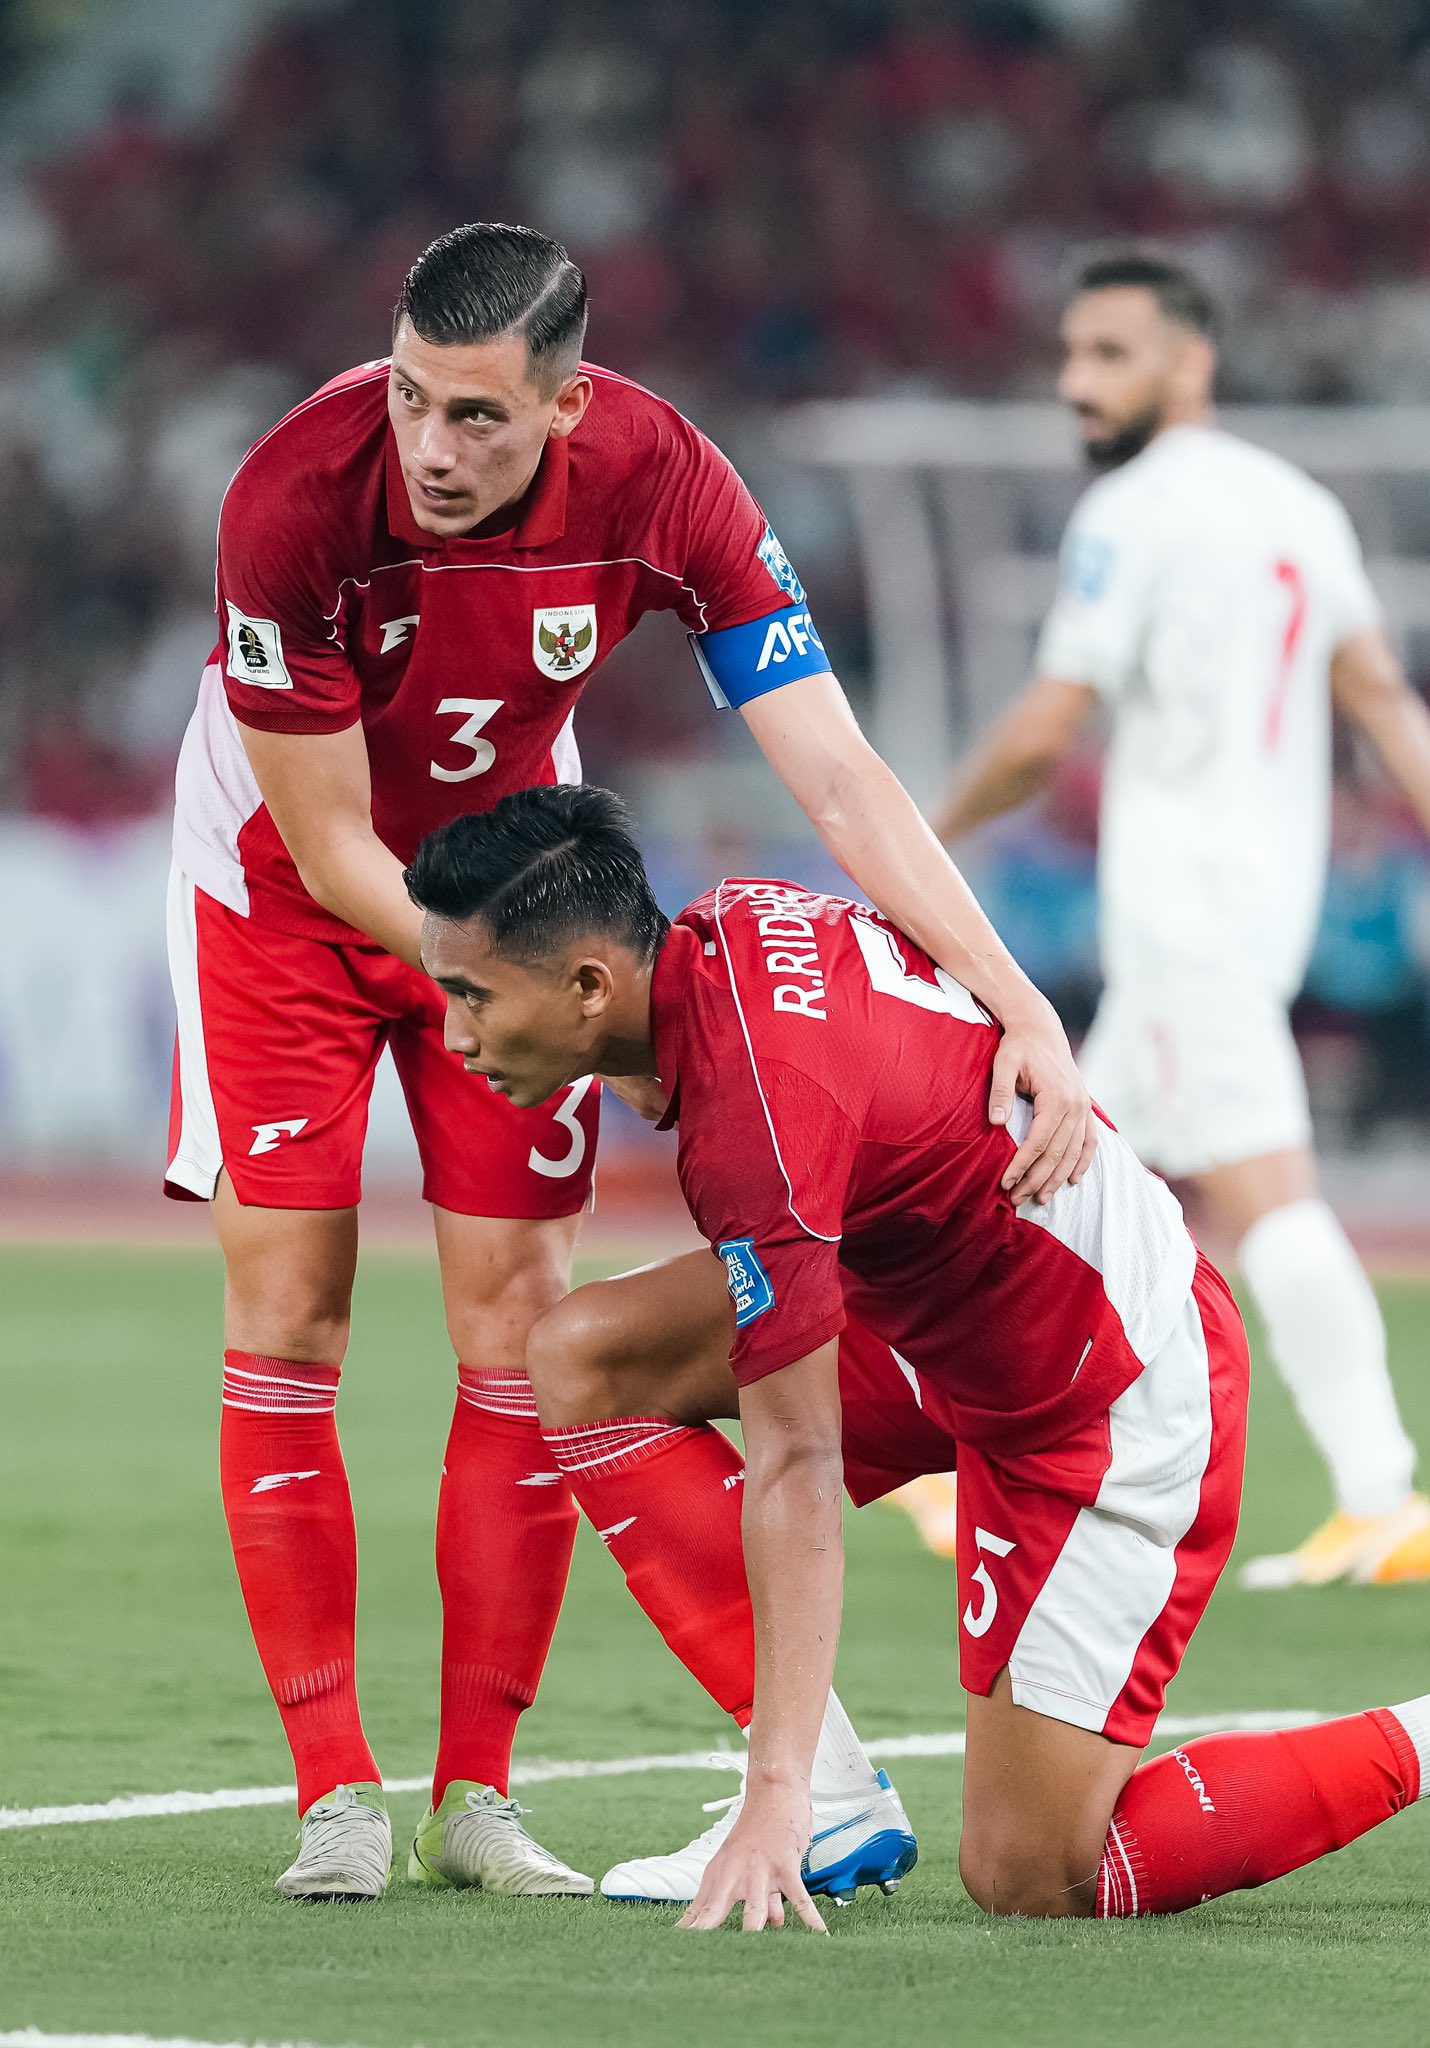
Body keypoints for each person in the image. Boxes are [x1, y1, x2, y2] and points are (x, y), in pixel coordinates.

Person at [166, 223, 1093, 1900]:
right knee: (290, 1304)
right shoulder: (291, 496)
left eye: (477, 415)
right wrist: (505, 988)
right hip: (284, 899)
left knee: (518, 1321)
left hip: (514, 904)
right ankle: (331, 1795)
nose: (430, 447)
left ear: (568, 405)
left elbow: (838, 776)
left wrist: (1014, 996)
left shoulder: (666, 481)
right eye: (410, 397)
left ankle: (476, 1795)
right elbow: (325, 841)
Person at [404, 783, 1430, 1931]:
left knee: (1035, 1871)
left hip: (1107, 1384)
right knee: (586, 1357)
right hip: (950, 1320)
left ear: (589, 982)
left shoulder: (759, 1121)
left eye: (471, 996)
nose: (455, 1033)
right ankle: (835, 1797)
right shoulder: (723, 926)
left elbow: (796, 1460)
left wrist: (768, 1782)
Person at [936, 251, 1430, 1588]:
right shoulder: (1296, 505)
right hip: (1248, 909)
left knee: (1259, 1194)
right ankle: (956, 1458)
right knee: (1044, 1176)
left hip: (1186, 915)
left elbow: (1043, 731)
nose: (1076, 382)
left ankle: (1383, 1494)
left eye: (1108, 355)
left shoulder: (1132, 512)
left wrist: (915, 836)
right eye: (1070, 355)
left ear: (1190, 360)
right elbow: (1379, 693)